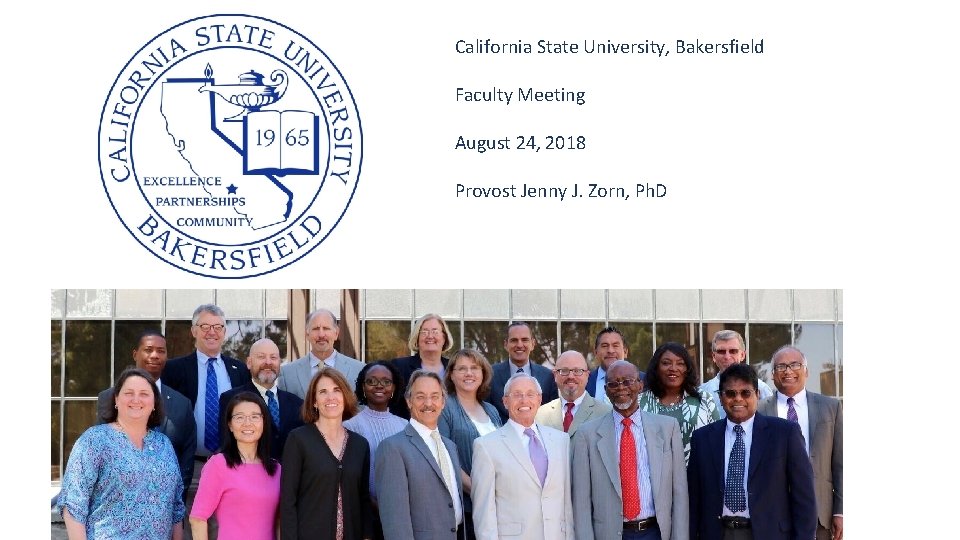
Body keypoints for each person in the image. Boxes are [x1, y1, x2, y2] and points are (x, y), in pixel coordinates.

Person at [688, 363, 816, 540]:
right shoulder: (702, 438)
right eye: (730, 393)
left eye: (745, 393)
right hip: (717, 533)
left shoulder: (785, 434)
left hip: (770, 533)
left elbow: (804, 497)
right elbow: (694, 499)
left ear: (757, 394)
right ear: (721, 397)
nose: (738, 399)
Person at [57, 368, 185, 539]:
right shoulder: (94, 440)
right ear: (116, 399)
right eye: (129, 393)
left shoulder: (164, 444)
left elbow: (176, 508)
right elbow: (73, 503)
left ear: (154, 402)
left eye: (144, 394)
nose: (136, 399)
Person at [572, 360, 688, 540]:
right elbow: (581, 501)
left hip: (655, 532)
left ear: (640, 385)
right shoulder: (587, 435)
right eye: (613, 383)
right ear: (606, 390)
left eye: (627, 381)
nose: (620, 388)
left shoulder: (667, 428)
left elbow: (679, 493)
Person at [162, 303, 251, 520]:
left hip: (231, 464)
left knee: (228, 527)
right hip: (192, 465)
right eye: (205, 326)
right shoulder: (173, 369)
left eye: (218, 326)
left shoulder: (238, 370)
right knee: (192, 526)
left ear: (225, 332)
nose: (212, 332)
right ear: (193, 331)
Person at [471, 374, 574, 540]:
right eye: (517, 395)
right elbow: (484, 513)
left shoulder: (561, 441)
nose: (524, 400)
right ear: (505, 401)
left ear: (539, 399)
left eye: (530, 394)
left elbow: (567, 504)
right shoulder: (486, 446)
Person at [96, 330, 196, 499]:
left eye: (161, 351)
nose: (155, 355)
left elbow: (186, 458)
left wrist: (175, 500)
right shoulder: (110, 397)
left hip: (165, 505)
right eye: (148, 350)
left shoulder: (182, 404)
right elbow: (100, 451)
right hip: (119, 503)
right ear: (135, 354)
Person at [758, 346, 843, 540]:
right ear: (772, 375)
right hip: (773, 514)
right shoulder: (759, 411)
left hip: (821, 514)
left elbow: (841, 464)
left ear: (806, 371)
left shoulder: (830, 407)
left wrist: (841, 511)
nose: (788, 371)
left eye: (795, 364)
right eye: (781, 367)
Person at [281, 368, 372, 540]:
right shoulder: (298, 440)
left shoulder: (360, 445)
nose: (331, 397)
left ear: (345, 397)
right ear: (314, 401)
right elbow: (288, 501)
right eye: (323, 392)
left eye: (337, 390)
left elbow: (363, 499)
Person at [375, 370, 465, 540]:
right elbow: (395, 521)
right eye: (420, 397)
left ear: (443, 402)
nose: (428, 403)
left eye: (435, 396)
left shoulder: (450, 446)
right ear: (409, 401)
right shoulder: (393, 448)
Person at [190, 392, 281, 540]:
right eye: (239, 417)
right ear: (230, 425)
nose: (247, 423)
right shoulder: (218, 464)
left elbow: (279, 521)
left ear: (264, 422)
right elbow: (198, 519)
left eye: (254, 416)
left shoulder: (276, 469)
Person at [438, 349, 503, 539]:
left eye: (474, 368)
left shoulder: (491, 410)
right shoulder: (445, 407)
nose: (469, 373)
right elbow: (445, 458)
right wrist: (481, 492)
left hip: (497, 505)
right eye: (462, 369)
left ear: (483, 373)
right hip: (467, 509)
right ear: (451, 374)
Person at [343, 361, 408, 540]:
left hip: (401, 513)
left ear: (394, 387)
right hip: (366, 515)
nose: (379, 385)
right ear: (363, 387)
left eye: (386, 381)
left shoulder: (405, 426)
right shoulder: (349, 427)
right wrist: (377, 506)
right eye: (372, 381)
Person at [219, 338, 304, 462]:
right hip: (248, 475)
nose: (268, 362)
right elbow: (226, 444)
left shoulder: (297, 403)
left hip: (288, 477)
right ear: (249, 362)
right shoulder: (231, 399)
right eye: (261, 357)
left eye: (273, 357)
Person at [637, 342, 719, 464]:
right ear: (656, 367)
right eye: (666, 363)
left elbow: (717, 440)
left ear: (687, 368)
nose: (673, 368)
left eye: (680, 363)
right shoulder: (639, 402)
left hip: (695, 475)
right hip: (653, 476)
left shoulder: (704, 399)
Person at [280, 308, 365, 399]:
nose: (321, 334)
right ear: (307, 334)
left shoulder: (359, 370)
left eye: (326, 328)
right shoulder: (287, 373)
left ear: (336, 333)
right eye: (316, 329)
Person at [487, 322, 559, 423]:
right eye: (514, 340)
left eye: (525, 340)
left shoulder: (547, 376)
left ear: (533, 344)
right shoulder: (490, 374)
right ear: (505, 344)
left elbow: (552, 415)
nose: (519, 345)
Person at [388, 313, 456, 419]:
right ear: (417, 338)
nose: (430, 336)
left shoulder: (454, 368)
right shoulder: (399, 367)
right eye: (424, 332)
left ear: (444, 338)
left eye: (435, 331)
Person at [535, 350, 610, 438]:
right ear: (555, 375)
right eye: (564, 370)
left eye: (577, 371)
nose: (570, 376)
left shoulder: (606, 414)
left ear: (587, 375)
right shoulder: (539, 415)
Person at [698, 330, 772, 418]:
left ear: (742, 355)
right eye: (721, 351)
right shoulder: (702, 392)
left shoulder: (761, 388)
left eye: (733, 351)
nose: (727, 357)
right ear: (714, 357)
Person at [586, 326, 643, 406]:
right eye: (605, 346)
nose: (610, 350)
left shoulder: (646, 381)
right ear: (596, 352)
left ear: (625, 351)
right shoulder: (585, 381)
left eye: (615, 345)